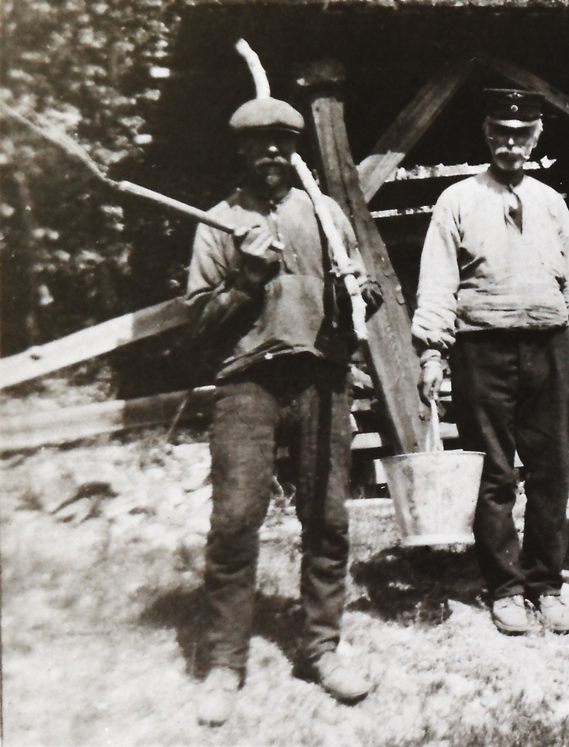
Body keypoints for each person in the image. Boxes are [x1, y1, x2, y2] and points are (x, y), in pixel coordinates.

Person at [186, 94, 383, 726]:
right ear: (241, 150)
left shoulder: (324, 215)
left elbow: (365, 290)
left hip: (321, 382)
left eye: (282, 143)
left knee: (327, 521)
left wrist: (358, 299)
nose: (271, 155)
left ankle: (322, 648)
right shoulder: (218, 222)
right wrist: (246, 277)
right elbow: (200, 326)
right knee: (236, 522)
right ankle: (224, 663)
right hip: (247, 387)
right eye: (258, 145)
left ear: (295, 149)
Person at [412, 89, 569, 636]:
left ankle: (546, 583)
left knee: (552, 474)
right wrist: (432, 351)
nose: (511, 144)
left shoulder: (551, 203)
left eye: (522, 135)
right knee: (493, 476)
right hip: (482, 352)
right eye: (501, 133)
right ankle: (505, 588)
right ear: (487, 134)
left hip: (549, 350)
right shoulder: (457, 201)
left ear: (537, 137)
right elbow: (437, 283)